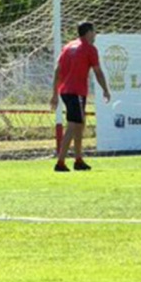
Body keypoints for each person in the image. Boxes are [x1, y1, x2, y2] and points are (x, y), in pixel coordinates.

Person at [49, 21, 111, 172]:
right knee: (72, 125)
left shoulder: (68, 46)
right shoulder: (89, 49)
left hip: (66, 91)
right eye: (94, 31)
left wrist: (55, 94)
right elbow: (98, 71)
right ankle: (60, 162)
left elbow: (58, 70)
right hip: (76, 91)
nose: (95, 34)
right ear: (89, 32)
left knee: (79, 124)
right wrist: (105, 89)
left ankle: (78, 160)